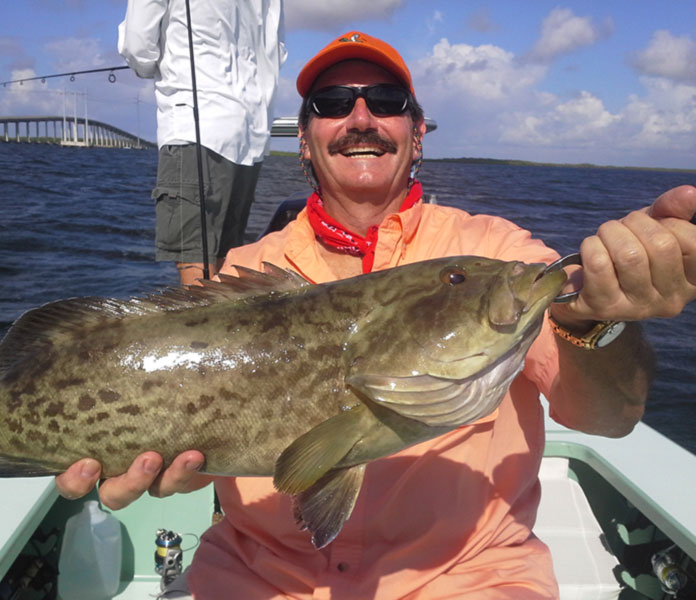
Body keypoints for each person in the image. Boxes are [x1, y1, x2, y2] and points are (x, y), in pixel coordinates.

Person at [59, 31, 696, 599]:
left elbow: (611, 418)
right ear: (303, 140)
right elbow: (214, 447)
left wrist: (599, 321)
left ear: (417, 134)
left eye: (387, 101)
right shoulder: (245, 273)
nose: (360, 118)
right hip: (258, 579)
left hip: (468, 579)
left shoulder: (497, 254)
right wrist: (172, 470)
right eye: (332, 104)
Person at [118, 0, 287, 286]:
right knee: (226, 261)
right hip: (250, 136)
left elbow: (138, 46)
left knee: (194, 263)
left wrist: (153, 66)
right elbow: (275, 50)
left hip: (195, 126)